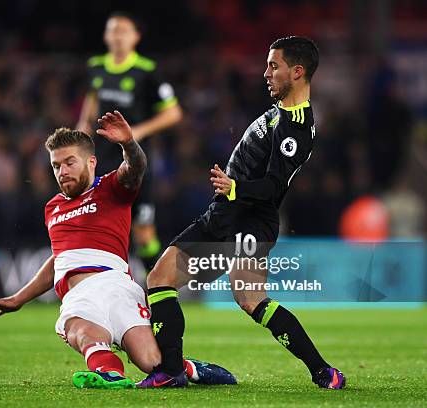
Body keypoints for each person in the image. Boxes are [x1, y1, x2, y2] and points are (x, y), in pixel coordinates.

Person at [139, 36, 346, 390]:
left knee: (250, 298)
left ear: (297, 72)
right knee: (159, 279)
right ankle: (171, 370)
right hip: (225, 213)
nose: (265, 73)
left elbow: (274, 186)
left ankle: (324, 371)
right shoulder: (281, 111)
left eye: (273, 66)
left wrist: (235, 188)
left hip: (252, 220)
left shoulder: (295, 127)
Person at [0, 111, 235, 389]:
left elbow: (135, 168)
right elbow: (59, 259)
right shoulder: (52, 207)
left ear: (91, 161)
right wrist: (19, 298)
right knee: (82, 330)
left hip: (117, 287)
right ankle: (110, 375)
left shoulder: (111, 187)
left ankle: (188, 367)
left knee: (153, 363)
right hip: (78, 295)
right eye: (56, 166)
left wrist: (129, 145)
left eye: (69, 162)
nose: (62, 172)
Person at [76, 11, 183, 272]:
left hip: (135, 162)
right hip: (101, 159)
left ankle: (158, 285)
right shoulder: (96, 67)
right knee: (100, 224)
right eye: (113, 30)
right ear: (105, 36)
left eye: (123, 31)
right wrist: (82, 128)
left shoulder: (146, 71)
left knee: (144, 231)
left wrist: (140, 131)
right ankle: (103, 286)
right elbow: (92, 101)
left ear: (135, 37)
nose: (117, 36)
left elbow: (173, 113)